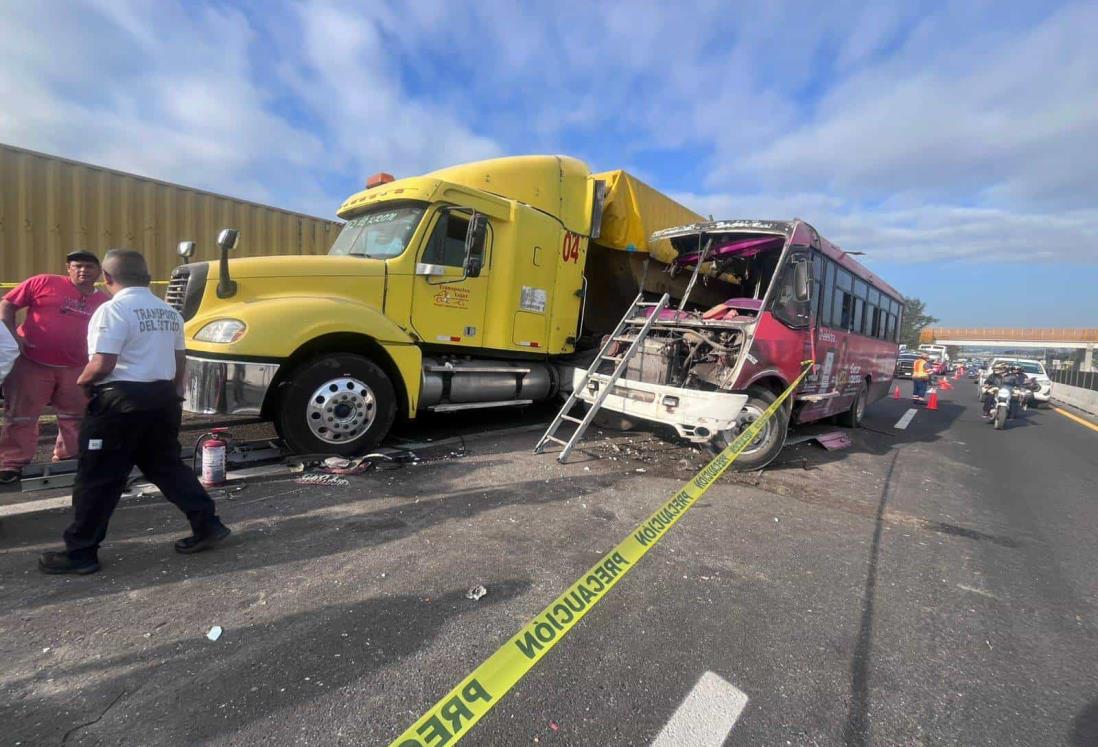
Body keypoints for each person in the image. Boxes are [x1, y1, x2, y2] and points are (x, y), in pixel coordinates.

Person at [39, 249, 231, 575]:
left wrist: (83, 382)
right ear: (145, 276)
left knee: (98, 478)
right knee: (167, 468)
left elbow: (103, 363)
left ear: (108, 278)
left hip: (119, 405)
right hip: (162, 401)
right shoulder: (169, 312)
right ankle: (208, 525)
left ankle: (81, 552)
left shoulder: (112, 310)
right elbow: (179, 362)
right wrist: (171, 395)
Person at [0, 251, 110, 483]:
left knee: (75, 416)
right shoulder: (43, 282)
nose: (83, 270)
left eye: (89, 267)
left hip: (77, 367)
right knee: (21, 416)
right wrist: (12, 336)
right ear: (68, 268)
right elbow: (8, 304)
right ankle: (12, 464)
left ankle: (68, 458)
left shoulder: (104, 301)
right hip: (31, 363)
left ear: (98, 272)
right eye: (77, 266)